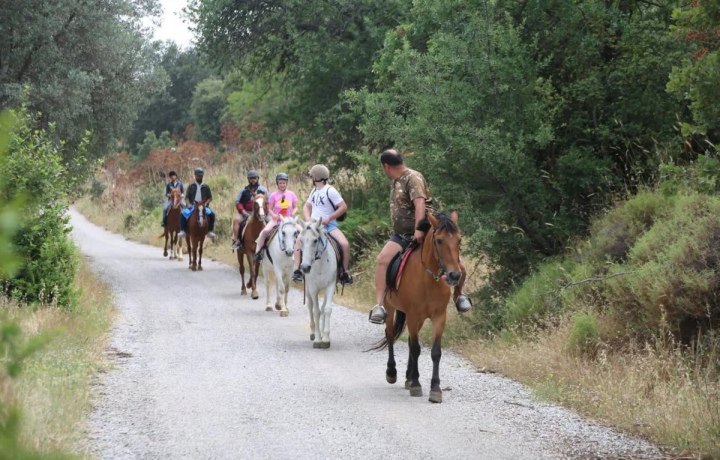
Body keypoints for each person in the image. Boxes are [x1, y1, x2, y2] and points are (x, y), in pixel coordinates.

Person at [368, 149, 471, 324]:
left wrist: (418, 229)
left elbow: (420, 204)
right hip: (402, 234)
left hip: (425, 230)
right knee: (382, 260)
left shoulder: (412, 177)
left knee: (455, 261)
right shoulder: (397, 180)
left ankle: (459, 295)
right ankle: (380, 306)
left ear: (386, 166)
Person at [292, 164, 353, 285]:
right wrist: (308, 218)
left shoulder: (330, 191)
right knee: (299, 240)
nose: (312, 178)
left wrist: (329, 218)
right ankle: (297, 270)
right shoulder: (314, 191)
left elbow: (343, 207)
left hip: (329, 226)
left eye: (312, 176)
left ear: (316, 178)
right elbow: (307, 206)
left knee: (345, 244)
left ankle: (344, 273)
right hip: (313, 226)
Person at [253, 173, 301, 264]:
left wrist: (293, 213)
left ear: (286, 183)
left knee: (302, 231)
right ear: (277, 184)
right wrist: (273, 215)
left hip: (289, 220)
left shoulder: (292, 194)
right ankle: (259, 253)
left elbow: (295, 207)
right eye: (280, 183)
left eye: (284, 183)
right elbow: (269, 208)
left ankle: (302, 254)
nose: (282, 185)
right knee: (264, 231)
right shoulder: (273, 195)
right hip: (277, 220)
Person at [232, 170, 269, 250]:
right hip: (246, 213)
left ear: (257, 179)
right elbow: (238, 202)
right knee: (236, 220)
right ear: (248, 179)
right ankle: (236, 240)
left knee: (270, 221)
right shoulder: (243, 191)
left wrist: (266, 211)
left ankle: (269, 241)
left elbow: (269, 202)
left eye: (254, 178)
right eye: (251, 178)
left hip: (261, 212)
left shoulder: (263, 190)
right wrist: (242, 211)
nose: (253, 180)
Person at [177, 168, 216, 240]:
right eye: (198, 176)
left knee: (212, 214)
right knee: (182, 214)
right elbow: (187, 197)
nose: (199, 177)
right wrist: (188, 204)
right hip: (193, 205)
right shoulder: (191, 186)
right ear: (195, 176)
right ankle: (182, 231)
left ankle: (210, 231)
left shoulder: (206, 187)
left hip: (203, 206)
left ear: (202, 176)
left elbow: (210, 198)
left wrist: (206, 203)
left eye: (200, 176)